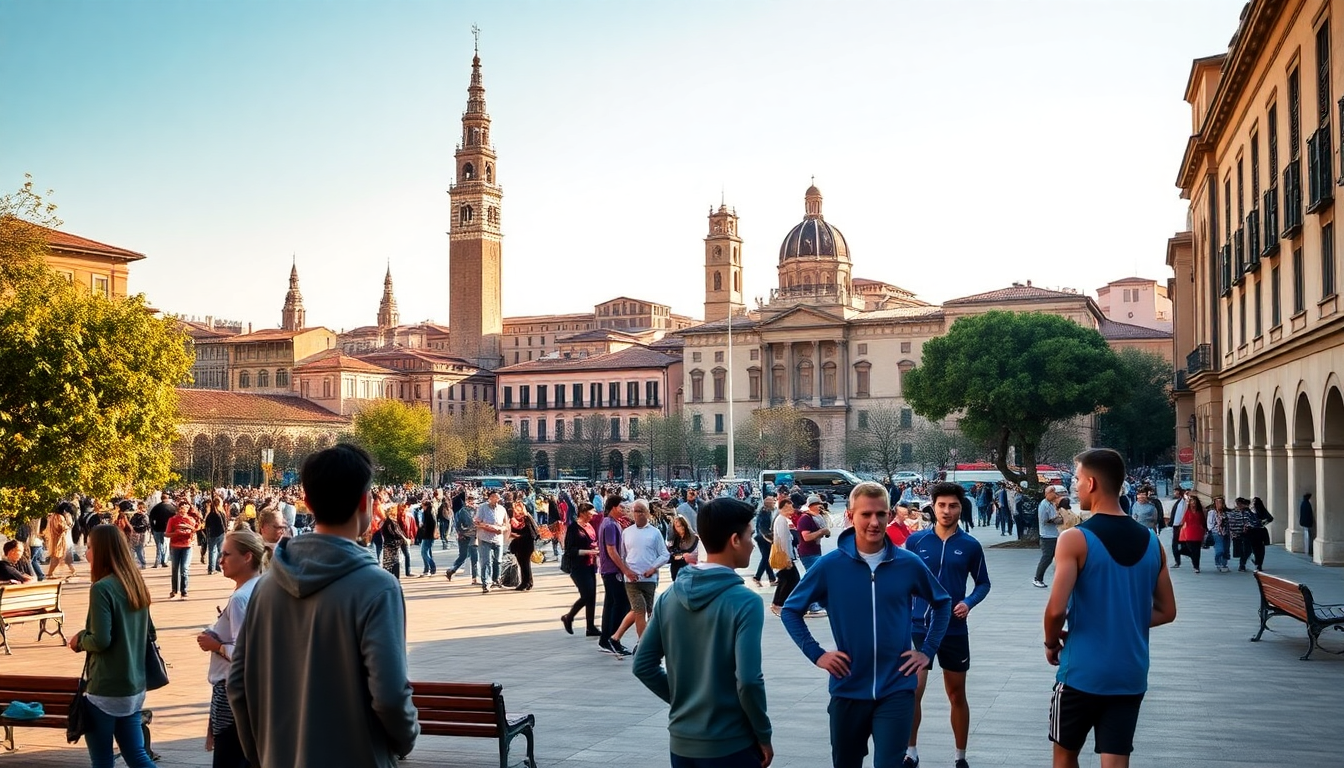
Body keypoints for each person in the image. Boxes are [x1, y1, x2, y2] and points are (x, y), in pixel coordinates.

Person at [227, 443, 419, 768]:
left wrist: (260, 751)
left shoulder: (267, 585)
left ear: (308, 502)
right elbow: (388, 694)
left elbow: (238, 683)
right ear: (364, 502)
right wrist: (404, 739)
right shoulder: (377, 587)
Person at [782, 482, 951, 768]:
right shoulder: (830, 566)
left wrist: (928, 650)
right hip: (848, 687)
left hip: (896, 688)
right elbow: (790, 610)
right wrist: (817, 653)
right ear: (850, 515)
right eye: (866, 514)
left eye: (881, 514)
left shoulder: (907, 563)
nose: (874, 522)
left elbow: (942, 602)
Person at [1044, 449, 1177, 768]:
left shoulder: (1074, 539)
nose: (1074, 487)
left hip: (1081, 672)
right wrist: (1123, 622)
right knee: (1116, 761)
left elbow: (1055, 611)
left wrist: (1051, 643)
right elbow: (1167, 611)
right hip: (1130, 672)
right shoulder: (1151, 541)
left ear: (1090, 483)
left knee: (1065, 756)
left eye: (1076, 480)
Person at [633, 498, 774, 768]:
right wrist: (763, 733)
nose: (753, 543)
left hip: (682, 741)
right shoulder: (745, 602)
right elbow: (749, 680)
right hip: (731, 741)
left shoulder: (669, 596)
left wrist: (684, 700)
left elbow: (642, 665)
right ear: (734, 540)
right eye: (749, 535)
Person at [904, 483, 991, 768]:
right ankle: (911, 752)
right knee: (913, 692)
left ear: (960, 508)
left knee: (956, 694)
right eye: (942, 505)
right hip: (919, 627)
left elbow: (983, 583)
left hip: (953, 628)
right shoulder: (916, 542)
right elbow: (903, 582)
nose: (947, 511)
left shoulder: (970, 545)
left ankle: (960, 757)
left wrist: (968, 602)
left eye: (953, 506)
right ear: (933, 506)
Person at [68, 524, 158, 768]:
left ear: (102, 552)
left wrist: (79, 640)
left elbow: (100, 640)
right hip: (134, 686)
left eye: (89, 547)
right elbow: (151, 632)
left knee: (102, 760)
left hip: (105, 688)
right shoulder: (135, 583)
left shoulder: (101, 588)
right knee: (136, 754)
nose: (86, 553)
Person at [197, 530, 265, 768]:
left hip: (233, 691)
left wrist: (216, 645)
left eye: (227, 554)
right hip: (254, 693)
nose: (221, 559)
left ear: (247, 557)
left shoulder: (241, 598)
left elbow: (245, 652)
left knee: (230, 756)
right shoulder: (262, 587)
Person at [623, 499, 671, 643]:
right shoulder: (626, 532)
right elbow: (622, 555)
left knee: (649, 611)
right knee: (639, 609)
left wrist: (653, 568)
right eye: (635, 511)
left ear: (647, 513)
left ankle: (649, 640)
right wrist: (626, 571)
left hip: (649, 579)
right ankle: (642, 643)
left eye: (641, 511)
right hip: (632, 579)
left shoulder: (655, 533)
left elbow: (664, 554)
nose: (637, 514)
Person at [597, 495, 636, 656]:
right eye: (621, 507)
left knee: (611, 604)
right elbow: (612, 550)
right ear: (613, 507)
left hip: (608, 570)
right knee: (621, 604)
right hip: (613, 571)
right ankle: (613, 638)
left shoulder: (609, 523)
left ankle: (606, 639)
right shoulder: (611, 525)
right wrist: (625, 569)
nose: (623, 510)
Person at [560, 502, 601, 638]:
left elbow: (593, 541)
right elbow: (570, 550)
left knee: (592, 596)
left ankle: (590, 627)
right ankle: (569, 616)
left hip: (590, 564)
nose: (592, 517)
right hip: (578, 566)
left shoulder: (589, 526)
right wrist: (588, 551)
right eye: (590, 514)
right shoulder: (573, 528)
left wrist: (594, 551)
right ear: (582, 513)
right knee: (587, 594)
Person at [769, 496, 800, 616]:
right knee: (791, 580)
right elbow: (783, 541)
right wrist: (788, 558)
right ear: (784, 507)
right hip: (784, 556)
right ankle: (779, 604)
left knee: (786, 580)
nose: (792, 510)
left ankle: (779, 604)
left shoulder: (782, 519)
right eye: (790, 507)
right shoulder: (781, 520)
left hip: (785, 555)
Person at [474, 489, 508, 592]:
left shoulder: (502, 509)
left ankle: (496, 579)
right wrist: (487, 527)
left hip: (498, 538)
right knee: (486, 561)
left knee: (498, 561)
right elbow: (477, 522)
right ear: (490, 498)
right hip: (485, 538)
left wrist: (501, 529)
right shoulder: (482, 508)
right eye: (494, 497)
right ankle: (486, 582)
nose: (496, 499)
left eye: (498, 497)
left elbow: (506, 524)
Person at [445, 493, 479, 583]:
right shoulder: (466, 511)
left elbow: (456, 525)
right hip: (472, 536)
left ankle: (452, 569)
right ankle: (474, 578)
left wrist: (460, 532)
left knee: (463, 556)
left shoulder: (458, 511)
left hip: (462, 536)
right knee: (474, 558)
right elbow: (471, 523)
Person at [1033, 486, 1063, 588]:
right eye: (1054, 493)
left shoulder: (1051, 504)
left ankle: (1060, 578)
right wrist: (1057, 520)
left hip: (1055, 535)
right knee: (1047, 558)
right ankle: (1038, 578)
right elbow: (1043, 520)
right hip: (1047, 536)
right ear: (1048, 493)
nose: (1056, 495)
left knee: (1058, 558)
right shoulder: (1044, 505)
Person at [166, 502, 198, 599]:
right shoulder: (172, 520)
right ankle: (174, 590)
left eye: (185, 508)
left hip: (187, 546)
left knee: (184, 568)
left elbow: (195, 530)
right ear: (178, 509)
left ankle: (184, 590)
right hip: (175, 546)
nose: (183, 510)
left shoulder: (191, 519)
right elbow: (167, 534)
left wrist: (189, 528)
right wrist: (175, 533)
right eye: (181, 508)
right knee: (175, 568)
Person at [507, 500, 538, 590]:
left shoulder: (526, 518)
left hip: (526, 544)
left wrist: (519, 536)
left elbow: (532, 533)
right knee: (523, 564)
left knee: (525, 564)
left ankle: (526, 583)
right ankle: (527, 582)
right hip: (518, 545)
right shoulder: (514, 520)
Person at [44, 502, 78, 580]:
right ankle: (50, 573)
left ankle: (72, 570)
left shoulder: (54, 516)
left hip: (57, 539)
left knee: (62, 556)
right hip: (59, 540)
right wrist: (68, 524)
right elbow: (62, 527)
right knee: (57, 557)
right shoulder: (59, 517)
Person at [750, 496, 777, 588]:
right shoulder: (764, 513)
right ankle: (757, 577)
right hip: (763, 538)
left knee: (767, 558)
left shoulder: (766, 511)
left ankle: (771, 578)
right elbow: (762, 528)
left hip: (763, 537)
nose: (774, 503)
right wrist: (770, 537)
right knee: (766, 558)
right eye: (773, 502)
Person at [1176, 495, 1206, 574]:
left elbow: (1203, 522)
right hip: (1189, 532)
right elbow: (1184, 521)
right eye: (1192, 501)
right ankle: (1194, 563)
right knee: (1191, 550)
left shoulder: (1200, 512)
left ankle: (1196, 566)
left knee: (1197, 551)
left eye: (1195, 502)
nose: (1193, 503)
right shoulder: (1187, 511)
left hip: (1198, 532)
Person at [667, 514, 699, 581]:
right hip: (676, 567)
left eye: (682, 525)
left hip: (689, 567)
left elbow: (693, 553)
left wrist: (682, 555)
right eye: (678, 526)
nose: (681, 528)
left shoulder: (694, 538)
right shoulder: (674, 538)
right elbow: (670, 552)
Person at [379, 510, 409, 580]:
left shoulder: (385, 522)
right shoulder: (391, 522)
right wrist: (404, 539)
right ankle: (395, 579)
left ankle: (389, 579)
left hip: (388, 545)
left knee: (388, 564)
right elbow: (397, 532)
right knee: (394, 562)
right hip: (392, 545)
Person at [147, 495, 176, 568]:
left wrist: (152, 527)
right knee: (165, 545)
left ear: (161, 499)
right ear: (168, 499)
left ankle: (158, 561)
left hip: (157, 528)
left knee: (159, 545)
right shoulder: (172, 508)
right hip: (167, 529)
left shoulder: (156, 507)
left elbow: (151, 518)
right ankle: (164, 561)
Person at [202, 497, 228, 575]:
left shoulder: (210, 514)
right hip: (220, 533)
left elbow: (206, 524)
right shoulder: (221, 513)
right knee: (220, 550)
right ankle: (217, 565)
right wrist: (225, 531)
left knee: (211, 551)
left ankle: (211, 568)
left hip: (211, 534)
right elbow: (224, 524)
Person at [1207, 496, 1231, 572]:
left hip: (1226, 533)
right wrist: (1213, 529)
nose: (1219, 504)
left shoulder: (1227, 513)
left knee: (1226, 550)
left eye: (1221, 502)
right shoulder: (1212, 512)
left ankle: (1224, 564)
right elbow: (1210, 524)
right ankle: (1218, 562)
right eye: (1217, 502)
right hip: (1216, 533)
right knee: (1220, 550)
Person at [415, 499, 438, 577]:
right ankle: (428, 568)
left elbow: (430, 525)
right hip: (428, 535)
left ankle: (432, 566)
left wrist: (423, 527)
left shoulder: (428, 513)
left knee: (424, 552)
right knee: (427, 552)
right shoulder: (429, 512)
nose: (422, 507)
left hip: (427, 536)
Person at [1167, 488, 1186, 568]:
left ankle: (1178, 560)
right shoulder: (1180, 502)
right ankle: (1177, 561)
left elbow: (1181, 514)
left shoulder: (1184, 502)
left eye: (1176, 492)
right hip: (1176, 525)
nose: (1175, 493)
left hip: (1180, 526)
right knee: (1176, 544)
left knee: (1178, 544)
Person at [1299, 492, 1315, 558]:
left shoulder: (1303, 503)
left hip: (1304, 522)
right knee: (1308, 536)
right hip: (1307, 522)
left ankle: (1307, 550)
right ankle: (1308, 550)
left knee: (1306, 536)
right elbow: (1309, 514)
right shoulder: (1307, 504)